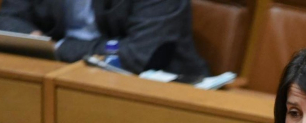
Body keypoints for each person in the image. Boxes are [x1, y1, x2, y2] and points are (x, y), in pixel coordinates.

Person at [0, 0, 209, 76]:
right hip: (63, 77)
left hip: (156, 88)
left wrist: (57, 48)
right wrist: (34, 38)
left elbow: (139, 55)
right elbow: (7, 18)